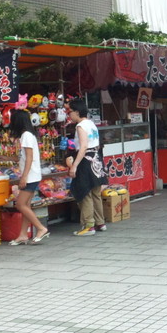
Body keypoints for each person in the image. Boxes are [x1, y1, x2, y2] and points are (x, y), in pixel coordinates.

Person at [67, 98, 108, 236]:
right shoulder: (91, 123)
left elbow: (83, 146)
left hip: (85, 160)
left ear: (77, 112)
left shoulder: (80, 126)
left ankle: (88, 225)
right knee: (95, 192)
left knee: (84, 193)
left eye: (70, 112)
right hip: (96, 159)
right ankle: (100, 222)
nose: (69, 115)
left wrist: (74, 165)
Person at [8, 109, 48, 245]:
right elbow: (25, 157)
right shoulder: (28, 135)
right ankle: (23, 234)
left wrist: (23, 177)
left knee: (20, 204)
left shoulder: (25, 135)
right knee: (26, 205)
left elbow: (29, 158)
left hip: (30, 176)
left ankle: (41, 228)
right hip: (33, 175)